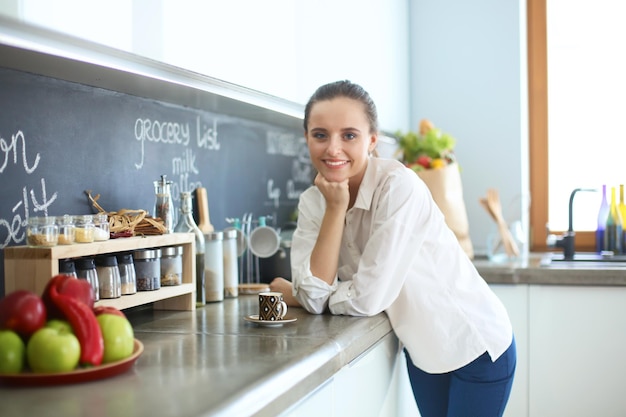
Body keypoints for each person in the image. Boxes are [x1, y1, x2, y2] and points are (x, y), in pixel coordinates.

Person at [270, 80, 516, 417]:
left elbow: (365, 299)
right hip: (424, 353)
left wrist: (306, 294)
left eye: (349, 135)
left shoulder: (398, 187)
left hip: (474, 345)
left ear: (372, 140)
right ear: (307, 138)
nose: (333, 148)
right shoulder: (315, 202)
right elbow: (317, 295)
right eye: (321, 134)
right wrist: (335, 209)